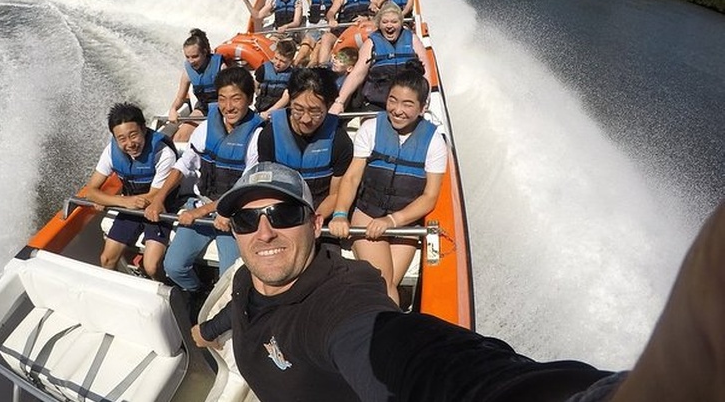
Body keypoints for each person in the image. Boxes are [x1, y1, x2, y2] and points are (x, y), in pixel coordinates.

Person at [192, 163, 725, 402]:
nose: (264, 231)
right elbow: (244, 304)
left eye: (283, 214)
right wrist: (207, 329)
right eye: (246, 220)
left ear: (313, 222)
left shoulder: (342, 298)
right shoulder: (251, 273)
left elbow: (409, 356)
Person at [329, 60, 445, 304]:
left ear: (423, 108)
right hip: (368, 215)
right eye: (392, 100)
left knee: (389, 284)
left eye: (407, 104)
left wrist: (392, 220)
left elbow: (430, 196)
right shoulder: (370, 128)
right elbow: (351, 177)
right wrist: (340, 214)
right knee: (383, 284)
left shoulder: (434, 142)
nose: (397, 110)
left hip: (404, 222)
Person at [145, 66, 262, 294]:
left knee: (231, 277)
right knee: (173, 267)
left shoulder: (257, 137)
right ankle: (201, 294)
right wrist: (159, 198)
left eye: (236, 99)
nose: (228, 107)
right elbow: (183, 165)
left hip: (235, 215)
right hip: (202, 205)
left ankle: (223, 303)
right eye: (222, 99)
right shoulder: (206, 129)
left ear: (249, 99)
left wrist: (199, 214)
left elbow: (245, 187)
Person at [83, 102, 178, 278]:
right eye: (122, 139)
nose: (130, 144)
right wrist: (122, 201)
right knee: (106, 259)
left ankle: (167, 290)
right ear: (115, 138)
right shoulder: (111, 152)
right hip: (129, 206)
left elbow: (153, 196)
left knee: (151, 266)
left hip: (161, 208)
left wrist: (105, 199)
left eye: (133, 135)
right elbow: (91, 190)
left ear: (143, 128)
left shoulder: (163, 153)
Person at [252, 67, 353, 218]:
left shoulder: (340, 141)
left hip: (320, 216)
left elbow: (335, 194)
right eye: (298, 109)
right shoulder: (269, 135)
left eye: (315, 111)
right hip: (281, 213)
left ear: (329, 105)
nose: (306, 119)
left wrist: (313, 220)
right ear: (290, 101)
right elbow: (267, 186)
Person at [329, 1, 431, 114]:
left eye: (394, 22)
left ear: (401, 23)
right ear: (379, 24)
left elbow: (425, 71)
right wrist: (339, 102)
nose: (389, 26)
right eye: (385, 22)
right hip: (377, 104)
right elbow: (357, 74)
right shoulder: (370, 43)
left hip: (407, 102)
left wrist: (425, 99)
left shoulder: (412, 39)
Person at [166, 28, 223, 143]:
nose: (191, 61)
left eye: (195, 56)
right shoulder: (187, 73)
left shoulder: (221, 67)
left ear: (205, 52)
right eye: (188, 57)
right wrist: (173, 109)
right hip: (203, 109)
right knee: (179, 138)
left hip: (224, 108)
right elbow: (180, 98)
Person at [319, 0, 379, 66]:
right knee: (326, 37)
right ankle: (323, 67)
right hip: (344, 34)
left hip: (363, 31)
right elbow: (331, 12)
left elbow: (383, 11)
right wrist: (331, 19)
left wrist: (369, 16)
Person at [253, 39, 295, 119]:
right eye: (276, 58)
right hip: (260, 110)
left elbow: (286, 97)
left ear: (290, 62)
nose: (278, 63)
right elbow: (256, 85)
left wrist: (268, 113)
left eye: (283, 61)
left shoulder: (292, 75)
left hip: (279, 113)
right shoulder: (263, 69)